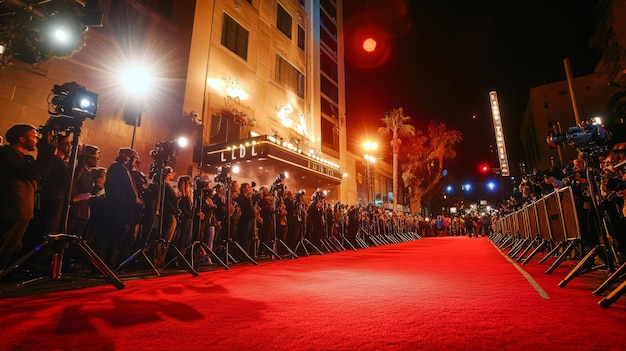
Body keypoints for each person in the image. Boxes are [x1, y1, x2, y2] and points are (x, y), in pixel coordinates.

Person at [0, 124, 50, 271]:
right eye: (33, 137)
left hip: (22, 208)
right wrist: (46, 150)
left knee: (12, 246)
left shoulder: (25, 157)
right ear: (22, 139)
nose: (36, 140)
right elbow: (32, 174)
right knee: (4, 244)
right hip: (12, 207)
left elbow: (41, 176)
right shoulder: (7, 153)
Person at [104, 148, 141, 268]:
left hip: (125, 212)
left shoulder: (126, 171)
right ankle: (109, 266)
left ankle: (115, 265)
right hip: (119, 211)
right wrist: (128, 203)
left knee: (120, 243)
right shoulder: (117, 168)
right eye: (134, 158)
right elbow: (116, 191)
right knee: (115, 242)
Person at [67, 145, 100, 237]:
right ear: (88, 158)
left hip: (84, 212)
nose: (98, 160)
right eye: (96, 157)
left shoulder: (89, 173)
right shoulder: (80, 171)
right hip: (76, 211)